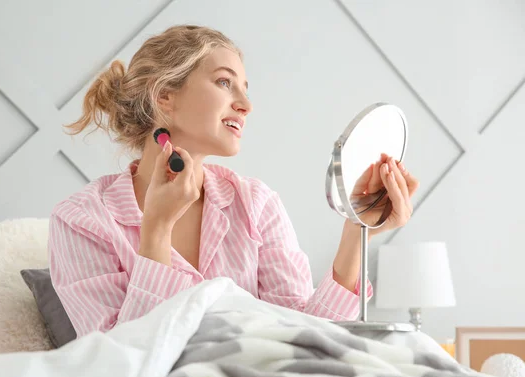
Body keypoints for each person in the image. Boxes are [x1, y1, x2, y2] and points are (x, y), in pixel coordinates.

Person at [47, 25, 419, 338]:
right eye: (225, 82)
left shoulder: (256, 204)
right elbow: (116, 366)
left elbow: (304, 340)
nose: (246, 104)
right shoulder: (81, 220)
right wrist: (156, 232)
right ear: (165, 99)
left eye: (245, 87)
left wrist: (356, 233)